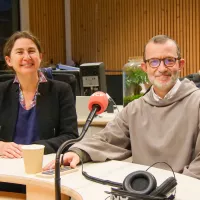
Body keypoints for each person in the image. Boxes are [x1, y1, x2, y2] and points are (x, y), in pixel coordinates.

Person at [44, 35, 200, 179]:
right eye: (154, 61)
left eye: (169, 60)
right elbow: (107, 139)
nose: (162, 68)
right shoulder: (135, 109)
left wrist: (178, 188)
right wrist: (78, 152)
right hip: (142, 189)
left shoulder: (197, 103)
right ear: (144, 68)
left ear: (181, 64)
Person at [0, 31, 78, 158]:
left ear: (40, 57)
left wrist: (35, 149)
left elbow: (70, 137)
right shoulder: (2, 91)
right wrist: (1, 146)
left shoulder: (61, 90)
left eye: (31, 51)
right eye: (19, 52)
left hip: (44, 163)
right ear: (9, 60)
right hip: (6, 165)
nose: (26, 57)